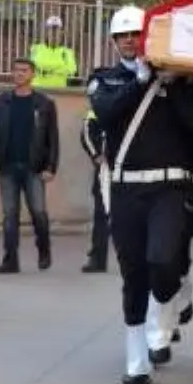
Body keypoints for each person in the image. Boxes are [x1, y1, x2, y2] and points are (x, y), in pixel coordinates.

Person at [87, 5, 193, 384]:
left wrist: (172, 83)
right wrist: (140, 81)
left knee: (163, 259)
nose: (129, 40)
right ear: (113, 42)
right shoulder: (104, 80)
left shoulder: (183, 84)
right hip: (127, 187)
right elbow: (105, 114)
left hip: (171, 188)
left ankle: (172, 297)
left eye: (136, 34)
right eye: (122, 36)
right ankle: (136, 357)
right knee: (133, 273)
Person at [0, 56, 59, 273]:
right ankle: (10, 260)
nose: (19, 74)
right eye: (16, 70)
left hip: (34, 168)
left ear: (32, 74)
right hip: (7, 167)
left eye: (24, 70)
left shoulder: (44, 104)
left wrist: (51, 167)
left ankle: (44, 250)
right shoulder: (1, 102)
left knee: (39, 212)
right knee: (9, 215)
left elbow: (52, 139)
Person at [79, 108, 109, 273]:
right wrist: (96, 154)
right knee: (101, 214)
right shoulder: (102, 102)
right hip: (107, 169)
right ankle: (98, 257)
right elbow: (86, 132)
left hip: (127, 168)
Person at [30, 15, 78, 88]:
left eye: (57, 30)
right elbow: (31, 67)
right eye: (51, 29)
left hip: (58, 89)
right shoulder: (36, 49)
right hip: (38, 88)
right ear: (46, 31)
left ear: (62, 32)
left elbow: (71, 70)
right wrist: (58, 69)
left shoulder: (66, 52)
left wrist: (47, 70)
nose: (54, 33)